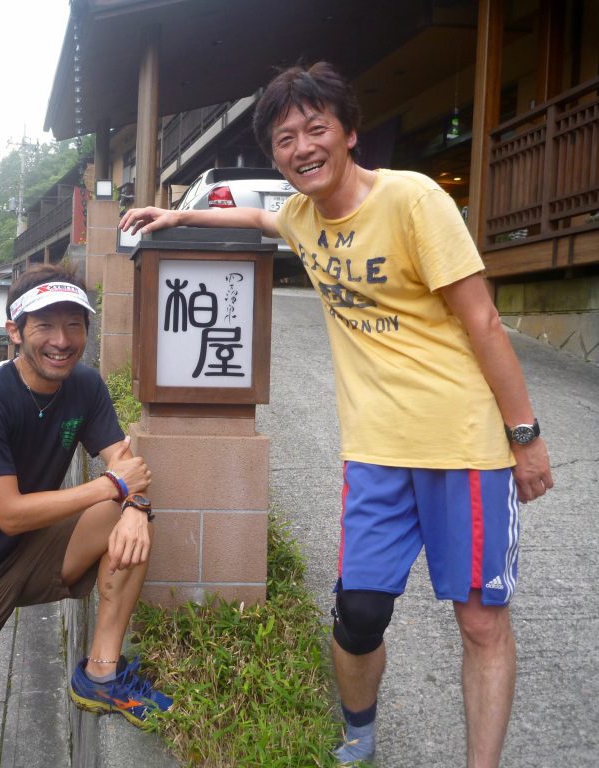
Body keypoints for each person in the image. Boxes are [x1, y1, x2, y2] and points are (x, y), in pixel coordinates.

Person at [120, 61, 553, 768]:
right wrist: (180, 214)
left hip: (466, 447)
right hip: (376, 453)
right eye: (285, 139)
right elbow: (261, 215)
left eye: (315, 129)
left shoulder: (413, 199)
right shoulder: (299, 216)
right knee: (358, 617)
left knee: (479, 622)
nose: (301, 148)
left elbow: (485, 323)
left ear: (350, 134)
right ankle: (359, 731)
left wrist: (525, 438)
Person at [0, 263, 172, 768]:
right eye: (45, 325)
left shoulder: (85, 387)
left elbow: (121, 458)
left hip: (27, 552)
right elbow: (8, 513)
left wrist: (135, 505)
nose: (61, 339)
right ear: (15, 331)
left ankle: (100, 675)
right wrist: (112, 485)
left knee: (127, 516)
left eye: (74, 324)